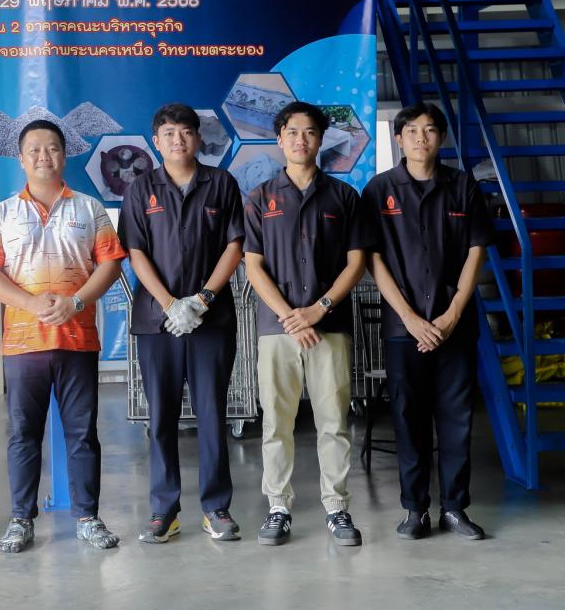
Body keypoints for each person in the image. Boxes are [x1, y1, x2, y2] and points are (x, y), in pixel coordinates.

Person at [0, 119, 126, 553]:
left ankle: (88, 517)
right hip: (23, 345)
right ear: (21, 159)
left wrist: (75, 302)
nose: (44, 156)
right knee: (23, 434)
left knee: (83, 432)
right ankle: (20, 519)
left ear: (64, 154)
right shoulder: (2, 213)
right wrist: (29, 303)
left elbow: (111, 264)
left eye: (53, 148)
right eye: (35, 149)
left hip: (78, 339)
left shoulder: (90, 209)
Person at [361, 102, 494, 542]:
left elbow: (476, 250)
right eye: (413, 130)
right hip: (404, 330)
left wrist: (452, 314)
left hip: (455, 327)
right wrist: (410, 318)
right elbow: (373, 260)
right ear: (398, 139)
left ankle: (455, 508)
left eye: (431, 130)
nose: (421, 138)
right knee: (408, 417)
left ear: (441, 138)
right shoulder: (379, 190)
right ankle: (415, 509)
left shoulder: (462, 186)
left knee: (457, 419)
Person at [243, 101, 369, 547]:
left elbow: (356, 262)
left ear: (320, 139)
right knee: (277, 423)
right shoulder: (260, 198)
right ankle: (278, 507)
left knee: (333, 421)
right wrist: (290, 317)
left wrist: (319, 308)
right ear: (280, 139)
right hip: (277, 330)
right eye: (293, 132)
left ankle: (337, 508)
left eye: (310, 132)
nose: (301, 140)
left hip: (329, 327)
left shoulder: (343, 197)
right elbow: (253, 265)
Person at [117, 103, 244, 544]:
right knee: (162, 416)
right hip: (158, 323)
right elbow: (135, 251)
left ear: (198, 138)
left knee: (211, 413)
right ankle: (163, 510)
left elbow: (234, 246)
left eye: (186, 132)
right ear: (156, 141)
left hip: (212, 320)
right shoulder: (140, 189)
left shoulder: (221, 184)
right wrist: (171, 304)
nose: (178, 140)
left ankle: (216, 508)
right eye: (169, 133)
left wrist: (202, 299)